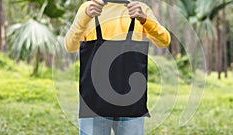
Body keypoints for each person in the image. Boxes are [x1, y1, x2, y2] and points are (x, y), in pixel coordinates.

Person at [64, 0, 171, 135]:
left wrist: (144, 20)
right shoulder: (89, 8)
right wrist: (85, 16)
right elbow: (70, 46)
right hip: (94, 99)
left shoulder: (139, 9)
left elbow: (164, 41)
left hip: (131, 101)